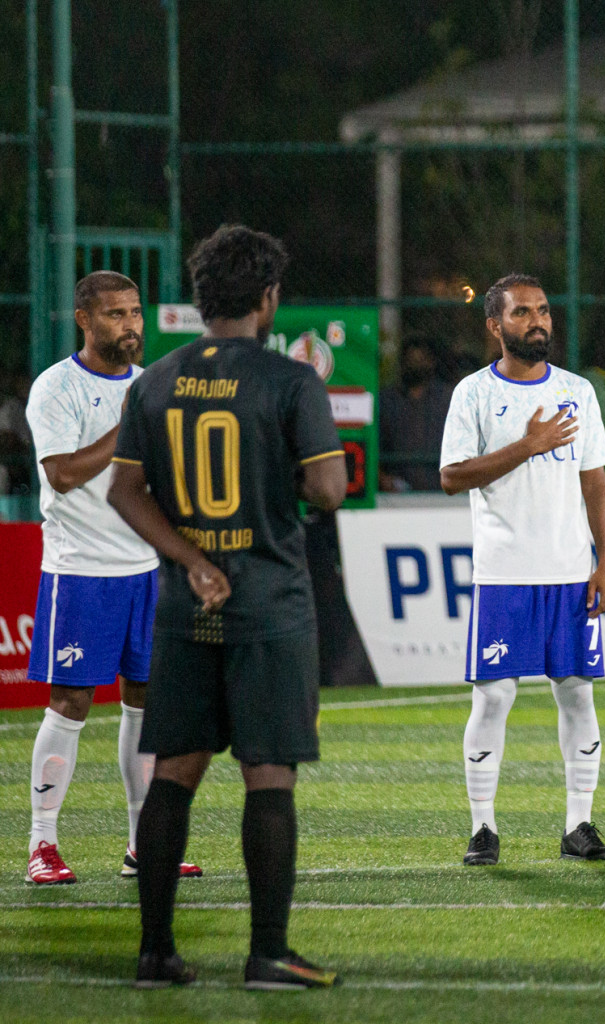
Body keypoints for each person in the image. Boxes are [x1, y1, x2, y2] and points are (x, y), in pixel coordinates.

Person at [107, 225, 347, 990]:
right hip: (269, 604)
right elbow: (329, 490)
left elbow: (123, 491)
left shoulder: (155, 380)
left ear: (203, 297)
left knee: (173, 771)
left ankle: (154, 953)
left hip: (184, 606)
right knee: (268, 774)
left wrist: (191, 560)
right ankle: (268, 952)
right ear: (269, 297)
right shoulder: (290, 381)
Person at [23, 271, 201, 886]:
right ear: (84, 319)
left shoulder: (154, 387)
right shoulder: (57, 387)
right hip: (82, 571)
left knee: (147, 703)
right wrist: (127, 422)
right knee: (71, 703)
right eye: (114, 315)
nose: (129, 326)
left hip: (146, 569)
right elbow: (64, 474)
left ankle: (143, 842)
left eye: (134, 313)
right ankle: (41, 845)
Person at [440, 273, 605, 868]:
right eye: (522, 313)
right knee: (492, 699)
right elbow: (451, 476)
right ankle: (483, 828)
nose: (537, 321)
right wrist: (529, 444)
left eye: (543, 311)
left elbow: (595, 480)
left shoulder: (578, 392)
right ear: (495, 326)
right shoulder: (472, 395)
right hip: (504, 575)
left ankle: (579, 825)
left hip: (570, 574)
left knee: (577, 696)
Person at [379, 338, 455, 492]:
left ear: (431, 362)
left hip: (440, 490)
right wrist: (383, 479)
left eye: (421, 360)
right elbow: (374, 446)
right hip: (397, 491)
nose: (415, 365)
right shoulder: (387, 400)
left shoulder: (447, 399)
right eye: (410, 360)